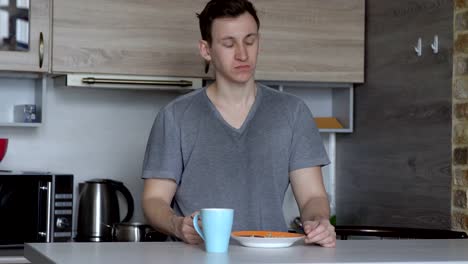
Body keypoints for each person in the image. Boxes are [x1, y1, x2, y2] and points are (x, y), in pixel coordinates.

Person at [141, 0, 336, 248]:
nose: (242, 53)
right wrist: (177, 225)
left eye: (250, 40)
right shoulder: (175, 116)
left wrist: (318, 221)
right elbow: (154, 199)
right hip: (197, 256)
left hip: (271, 256)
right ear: (206, 49)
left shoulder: (293, 112)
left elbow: (312, 196)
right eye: (229, 43)